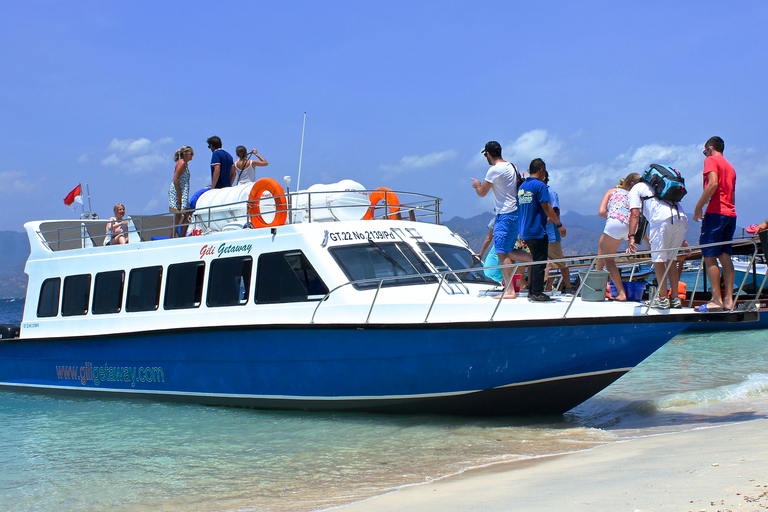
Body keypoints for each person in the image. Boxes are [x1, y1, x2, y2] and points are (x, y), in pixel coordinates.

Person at [471, 141, 532, 299]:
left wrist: (477, 185)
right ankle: (537, 258)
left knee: (501, 251)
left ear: (488, 154)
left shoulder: (494, 170)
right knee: (508, 250)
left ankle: (510, 290)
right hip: (515, 214)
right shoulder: (512, 166)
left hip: (505, 215)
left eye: (485, 155)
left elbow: (482, 192)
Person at [626, 172, 689, 309]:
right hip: (681, 217)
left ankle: (662, 298)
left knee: (658, 259)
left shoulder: (636, 189)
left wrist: (631, 237)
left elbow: (635, 214)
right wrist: (683, 240)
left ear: (631, 184)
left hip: (661, 219)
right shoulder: (656, 187)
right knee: (670, 259)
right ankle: (674, 298)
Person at [693, 136, 737, 311]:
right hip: (731, 214)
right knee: (725, 256)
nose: (705, 156)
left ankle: (716, 300)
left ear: (710, 148)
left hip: (716, 213)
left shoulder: (712, 160)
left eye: (704, 152)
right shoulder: (730, 166)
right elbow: (731, 195)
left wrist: (698, 207)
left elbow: (713, 183)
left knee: (709, 256)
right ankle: (728, 300)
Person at [517, 159, 566, 302]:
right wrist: (558, 224)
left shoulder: (522, 187)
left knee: (534, 261)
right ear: (541, 169)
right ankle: (537, 292)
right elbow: (547, 207)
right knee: (540, 262)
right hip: (537, 229)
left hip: (525, 230)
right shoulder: (540, 185)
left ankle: (532, 290)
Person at [595, 172, 642, 300]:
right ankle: (598, 275)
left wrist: (613, 215)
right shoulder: (635, 195)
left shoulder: (611, 191)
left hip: (616, 223)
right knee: (602, 241)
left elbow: (601, 212)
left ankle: (620, 293)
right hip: (633, 226)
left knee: (609, 260)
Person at [543, 173, 572, 294]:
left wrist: (540, 222)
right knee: (551, 262)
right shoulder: (541, 192)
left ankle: (569, 287)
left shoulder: (550, 192)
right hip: (542, 233)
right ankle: (548, 288)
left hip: (551, 233)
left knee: (559, 261)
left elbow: (555, 212)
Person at [169, 145, 193, 238]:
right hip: (178, 191)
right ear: (185, 154)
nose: (192, 155)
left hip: (183, 191)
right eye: (191, 153)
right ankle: (174, 237)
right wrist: (179, 195)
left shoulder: (185, 164)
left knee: (183, 215)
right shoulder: (182, 163)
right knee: (180, 215)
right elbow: (175, 178)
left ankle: (179, 236)